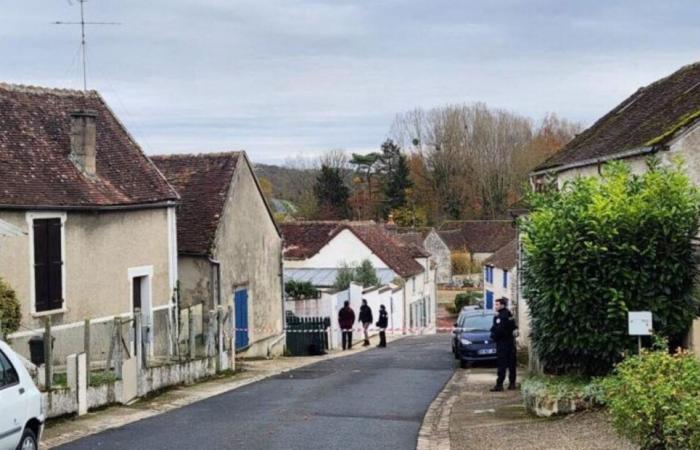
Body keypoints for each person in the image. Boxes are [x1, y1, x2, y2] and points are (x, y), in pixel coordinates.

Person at [489, 297, 517, 391]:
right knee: (512, 364)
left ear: (502, 305)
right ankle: (512, 383)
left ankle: (499, 384)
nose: (495, 306)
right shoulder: (509, 314)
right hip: (510, 342)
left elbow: (498, 330)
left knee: (502, 364)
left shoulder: (500, 316)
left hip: (503, 343)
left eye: (497, 304)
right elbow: (513, 326)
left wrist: (493, 337)